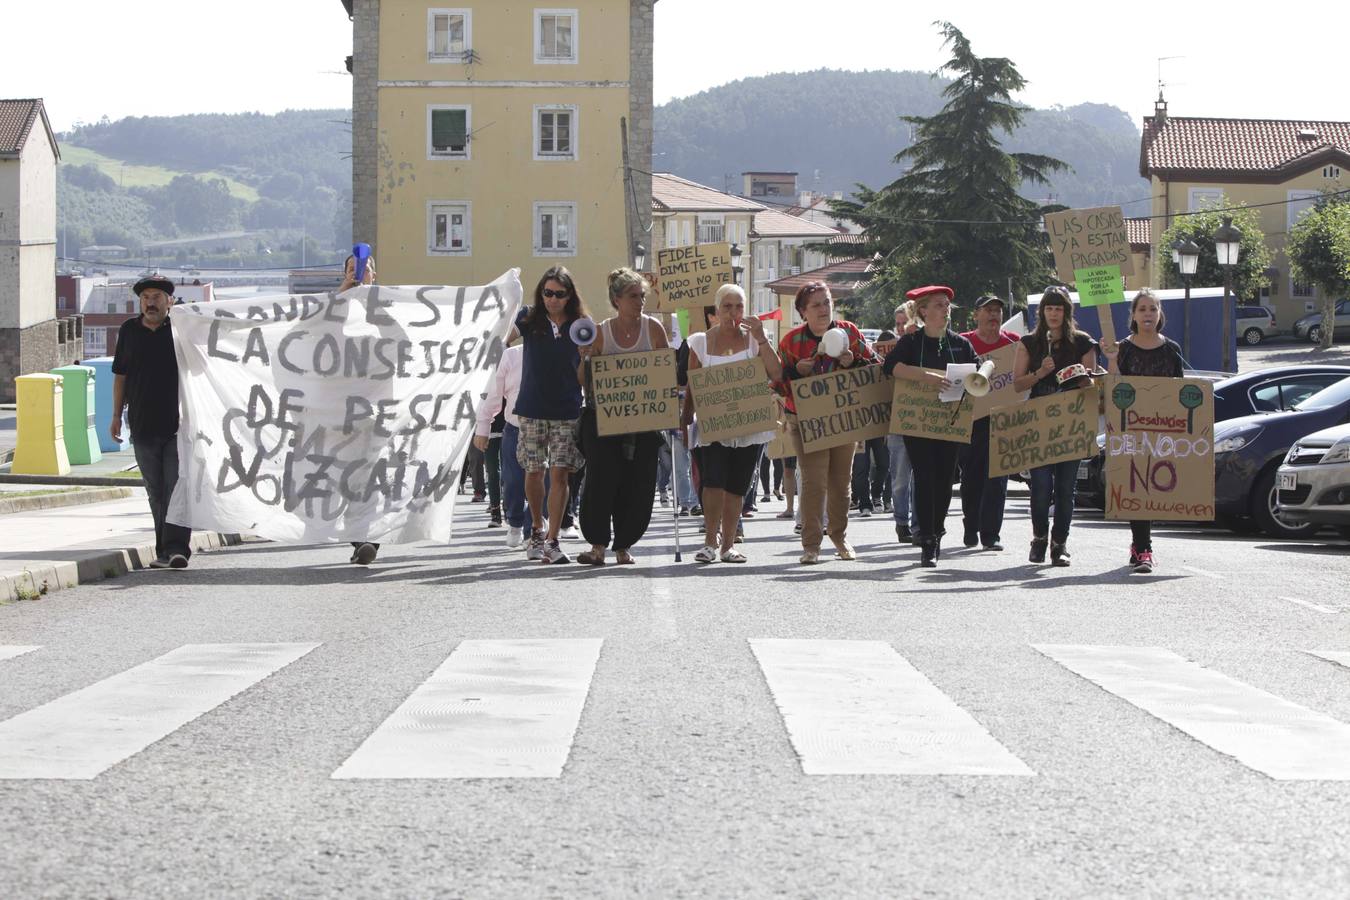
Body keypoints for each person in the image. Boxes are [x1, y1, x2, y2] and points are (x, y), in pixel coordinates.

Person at [779, 281, 881, 564]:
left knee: (841, 482)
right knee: (813, 482)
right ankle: (811, 544)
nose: (824, 309)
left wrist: (853, 362)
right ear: (803, 312)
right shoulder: (792, 342)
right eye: (816, 305)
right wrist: (795, 371)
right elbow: (777, 382)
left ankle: (839, 535)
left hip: (842, 420)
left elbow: (874, 366)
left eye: (827, 302)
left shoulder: (849, 332)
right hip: (805, 420)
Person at [574, 268, 669, 566]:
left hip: (643, 421)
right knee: (601, 481)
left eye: (642, 296)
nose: (640, 302)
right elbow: (583, 381)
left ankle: (624, 544)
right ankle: (598, 545)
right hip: (605, 420)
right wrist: (585, 357)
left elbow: (664, 371)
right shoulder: (601, 331)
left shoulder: (653, 329)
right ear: (617, 300)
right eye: (633, 296)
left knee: (639, 484)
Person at [882, 286, 980, 567]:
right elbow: (891, 367)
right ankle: (927, 539)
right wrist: (926, 377)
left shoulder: (960, 343)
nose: (945, 309)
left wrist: (984, 373)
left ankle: (936, 530)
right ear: (923, 311)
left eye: (947, 304)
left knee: (944, 480)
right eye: (938, 305)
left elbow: (979, 366)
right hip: (919, 424)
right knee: (924, 478)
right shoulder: (912, 342)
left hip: (950, 423)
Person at [684, 284, 781, 563]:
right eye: (727, 306)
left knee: (737, 486)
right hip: (713, 424)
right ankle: (708, 542)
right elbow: (693, 384)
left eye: (739, 306)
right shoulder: (700, 342)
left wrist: (762, 339)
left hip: (748, 425)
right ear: (716, 311)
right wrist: (684, 419)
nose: (733, 312)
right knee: (713, 481)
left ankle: (728, 545)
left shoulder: (754, 340)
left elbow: (775, 372)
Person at [1013, 285, 1101, 567]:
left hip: (1071, 419)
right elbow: (1017, 384)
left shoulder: (1083, 342)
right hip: (1040, 417)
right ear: (1042, 312)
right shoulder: (1029, 342)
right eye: (1049, 308)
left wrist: (1086, 379)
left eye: (1058, 308)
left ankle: (1059, 544)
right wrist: (1041, 372)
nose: (1053, 313)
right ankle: (1039, 539)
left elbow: (1093, 385)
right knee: (1040, 486)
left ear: (1066, 312)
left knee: (1065, 488)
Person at [111, 274, 193, 569]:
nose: (150, 303)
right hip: (142, 425)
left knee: (176, 488)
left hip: (178, 425)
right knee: (155, 491)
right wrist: (115, 416)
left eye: (157, 297)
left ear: (169, 301)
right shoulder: (129, 331)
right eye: (145, 297)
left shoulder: (181, 330)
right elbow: (120, 375)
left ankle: (177, 548)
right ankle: (163, 551)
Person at [1102, 288, 1184, 574]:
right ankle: (1143, 548)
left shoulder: (1172, 349)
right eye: (1142, 309)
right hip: (1131, 430)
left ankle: (1141, 547)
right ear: (1133, 316)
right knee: (1138, 483)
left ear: (1159, 314)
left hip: (1163, 430)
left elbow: (1180, 391)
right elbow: (1113, 388)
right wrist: (1110, 359)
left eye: (1153, 308)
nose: (1148, 313)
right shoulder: (1122, 348)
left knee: (1155, 483)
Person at [508, 267, 587, 564]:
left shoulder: (581, 326)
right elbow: (506, 337)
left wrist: (584, 356)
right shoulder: (529, 318)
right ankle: (537, 530)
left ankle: (553, 539)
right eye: (547, 293)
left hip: (566, 409)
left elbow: (583, 379)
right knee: (534, 471)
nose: (552, 299)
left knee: (560, 473)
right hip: (532, 407)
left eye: (559, 294)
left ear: (570, 296)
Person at [333, 253, 386, 565]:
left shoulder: (388, 309)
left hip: (379, 411)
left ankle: (366, 539)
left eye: (363, 269)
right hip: (339, 413)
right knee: (347, 479)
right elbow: (315, 328)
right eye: (351, 269)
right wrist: (344, 292)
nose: (357, 274)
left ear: (374, 275)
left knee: (372, 478)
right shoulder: (333, 308)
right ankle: (360, 537)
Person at [959, 294, 1021, 550]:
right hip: (971, 421)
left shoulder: (1014, 344)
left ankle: (991, 534)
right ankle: (971, 524)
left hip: (1002, 419)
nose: (994, 315)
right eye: (988, 310)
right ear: (976, 315)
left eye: (997, 310)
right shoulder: (963, 343)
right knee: (971, 477)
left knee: (998, 478)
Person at [474, 344, 527, 546]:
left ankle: (534, 530)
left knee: (544, 481)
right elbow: (494, 394)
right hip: (513, 428)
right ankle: (515, 522)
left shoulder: (557, 349)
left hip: (545, 429)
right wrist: (482, 428)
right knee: (511, 481)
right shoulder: (512, 355)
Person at [886, 303, 920, 544]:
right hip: (898, 420)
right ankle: (901, 522)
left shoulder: (923, 344)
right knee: (899, 477)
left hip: (922, 419)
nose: (900, 328)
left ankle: (918, 524)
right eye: (897, 324)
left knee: (921, 476)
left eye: (904, 323)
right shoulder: (893, 348)